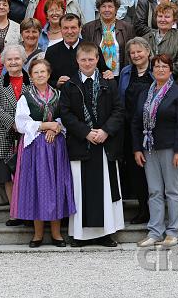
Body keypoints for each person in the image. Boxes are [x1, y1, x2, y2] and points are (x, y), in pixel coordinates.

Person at [59, 42, 125, 247]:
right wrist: (86, 132)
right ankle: (80, 235)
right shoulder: (70, 85)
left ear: (97, 59)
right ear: (77, 61)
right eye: (83, 59)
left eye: (91, 59)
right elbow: (65, 114)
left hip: (105, 142)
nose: (87, 63)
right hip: (82, 143)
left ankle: (106, 233)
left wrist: (105, 131)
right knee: (80, 190)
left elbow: (119, 110)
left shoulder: (109, 83)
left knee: (105, 188)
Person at [14, 59, 76, 247]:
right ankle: (38, 234)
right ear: (31, 76)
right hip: (34, 148)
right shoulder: (26, 97)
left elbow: (65, 117)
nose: (40, 75)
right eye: (36, 72)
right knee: (37, 187)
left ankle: (56, 234)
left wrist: (55, 128)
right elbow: (21, 123)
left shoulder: (58, 94)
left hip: (55, 147)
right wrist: (44, 125)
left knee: (55, 187)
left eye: (43, 72)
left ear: (49, 74)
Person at [133, 54, 178, 247]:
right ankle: (155, 231)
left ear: (170, 69)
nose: (160, 69)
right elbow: (136, 122)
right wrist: (136, 148)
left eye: (164, 66)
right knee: (154, 191)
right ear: (152, 69)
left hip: (170, 148)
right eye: (156, 66)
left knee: (172, 191)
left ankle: (173, 232)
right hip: (149, 148)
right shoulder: (144, 93)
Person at [0, 45, 31, 222]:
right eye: (9, 59)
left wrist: (24, 124)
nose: (13, 62)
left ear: (23, 60)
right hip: (4, 135)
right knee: (7, 176)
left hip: (28, 135)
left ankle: (29, 211)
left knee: (27, 175)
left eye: (17, 59)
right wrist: (13, 123)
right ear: (3, 62)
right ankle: (15, 213)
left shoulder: (33, 80)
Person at [118, 37, 154, 225]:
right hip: (130, 127)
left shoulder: (157, 70)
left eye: (139, 51)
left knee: (153, 171)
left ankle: (156, 211)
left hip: (152, 128)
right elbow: (120, 98)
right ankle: (143, 209)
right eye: (132, 53)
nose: (136, 55)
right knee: (136, 170)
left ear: (148, 51)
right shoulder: (126, 72)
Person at [44, 13, 110, 88]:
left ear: (79, 29)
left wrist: (108, 73)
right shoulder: (51, 51)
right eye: (65, 28)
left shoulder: (93, 48)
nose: (69, 31)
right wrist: (56, 83)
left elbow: (104, 72)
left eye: (73, 28)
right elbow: (46, 79)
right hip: (62, 96)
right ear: (60, 29)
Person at [81, 0, 135, 77]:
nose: (107, 10)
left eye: (110, 6)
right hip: (97, 75)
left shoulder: (127, 28)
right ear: (99, 9)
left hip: (121, 75)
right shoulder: (88, 28)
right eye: (103, 6)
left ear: (116, 9)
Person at [143, 2, 178, 79]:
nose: (162, 20)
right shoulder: (146, 38)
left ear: (174, 20)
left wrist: (163, 77)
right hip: (149, 80)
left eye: (167, 17)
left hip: (172, 81)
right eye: (160, 16)